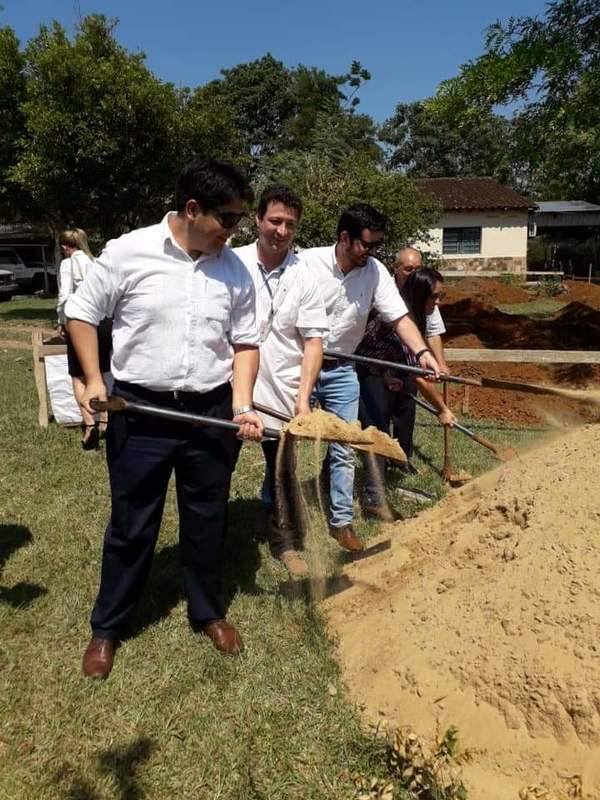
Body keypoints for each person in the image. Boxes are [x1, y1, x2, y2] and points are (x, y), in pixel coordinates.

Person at [65, 158, 264, 679]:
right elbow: (81, 313)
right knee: (133, 522)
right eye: (228, 218)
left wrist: (241, 404)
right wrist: (93, 379)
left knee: (207, 518)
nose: (234, 231)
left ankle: (207, 611)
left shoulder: (233, 269)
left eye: (240, 219)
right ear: (193, 210)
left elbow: (245, 342)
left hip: (209, 412)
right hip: (141, 410)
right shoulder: (128, 252)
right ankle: (108, 627)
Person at [299, 205, 440, 551]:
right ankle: (277, 514)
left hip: (342, 370)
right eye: (366, 245)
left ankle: (341, 522)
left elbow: (401, 319)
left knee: (345, 445)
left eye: (377, 245)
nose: (371, 253)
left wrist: (423, 354)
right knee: (284, 443)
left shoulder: (374, 272)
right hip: (298, 366)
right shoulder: (306, 263)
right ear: (344, 238)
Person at [234, 185, 328, 578]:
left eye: (290, 223)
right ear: (257, 219)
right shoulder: (231, 262)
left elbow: (313, 340)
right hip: (233, 391)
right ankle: (211, 537)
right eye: (275, 220)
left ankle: (285, 542)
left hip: (283, 392)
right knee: (215, 466)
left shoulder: (304, 274)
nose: (282, 230)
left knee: (284, 471)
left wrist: (303, 399)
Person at [356, 267, 456, 518]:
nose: (438, 301)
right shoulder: (403, 317)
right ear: (421, 295)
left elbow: (392, 355)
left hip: (377, 370)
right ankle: (373, 497)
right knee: (376, 431)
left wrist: (388, 375)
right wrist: (442, 410)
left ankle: (333, 477)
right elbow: (418, 376)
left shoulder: (416, 316)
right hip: (359, 369)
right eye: (435, 296)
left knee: (375, 427)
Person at [390, 248, 449, 465]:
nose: (413, 273)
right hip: (377, 366)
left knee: (406, 407)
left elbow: (433, 331)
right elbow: (417, 373)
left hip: (406, 362)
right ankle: (379, 467)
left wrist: (440, 364)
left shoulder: (424, 299)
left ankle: (401, 459)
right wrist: (442, 409)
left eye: (417, 269)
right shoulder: (395, 303)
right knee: (379, 414)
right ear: (396, 268)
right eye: (408, 269)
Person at [56, 228, 110, 449]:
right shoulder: (96, 262)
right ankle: (105, 420)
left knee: (78, 375)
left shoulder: (68, 264)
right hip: (103, 320)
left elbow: (64, 294)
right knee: (100, 372)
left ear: (64, 246)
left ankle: (89, 424)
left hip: (80, 321)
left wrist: (61, 320)